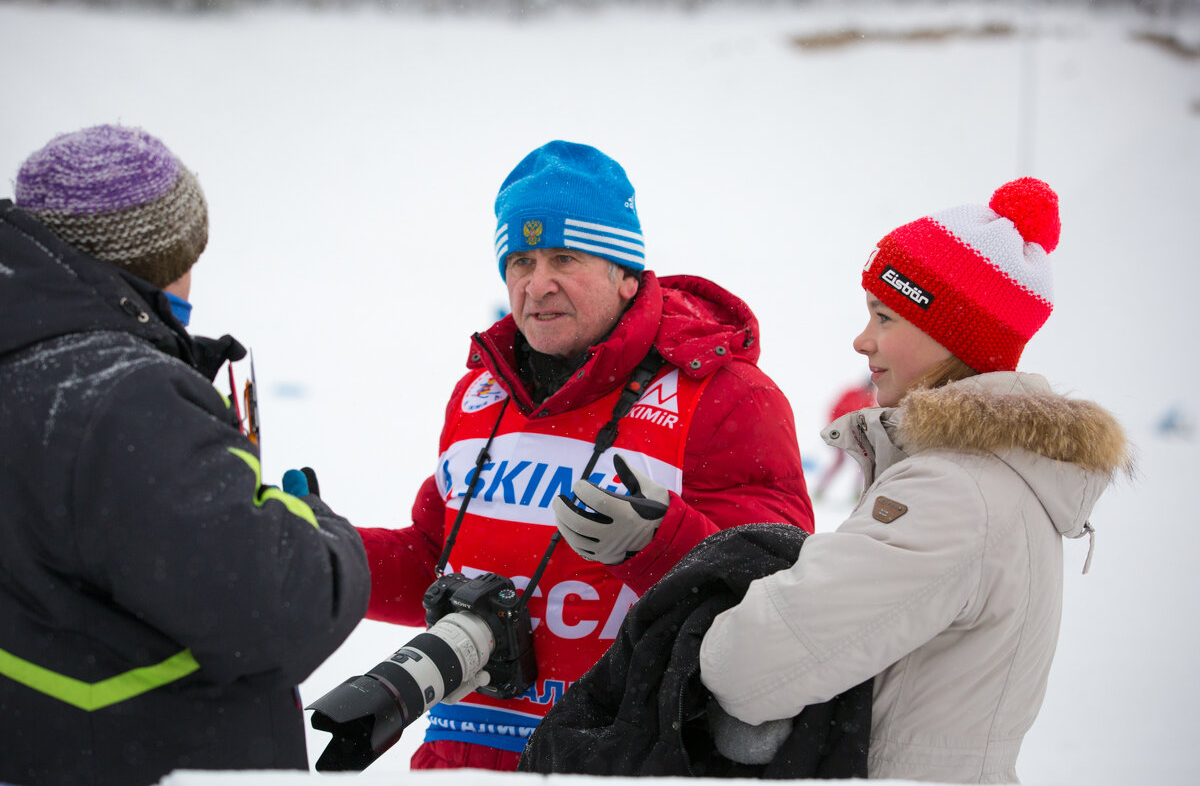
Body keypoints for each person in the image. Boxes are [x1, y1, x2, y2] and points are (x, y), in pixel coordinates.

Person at [356, 140, 814, 771]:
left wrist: (658, 545)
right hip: (460, 762)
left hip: (623, 763)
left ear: (625, 273)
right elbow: (433, 562)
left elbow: (786, 604)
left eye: (563, 258)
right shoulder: (479, 395)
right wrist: (322, 553)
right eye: (519, 261)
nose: (536, 284)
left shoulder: (726, 397)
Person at [696, 177, 1133, 782]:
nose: (862, 339)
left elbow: (748, 666)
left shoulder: (953, 493)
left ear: (951, 336)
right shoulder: (995, 477)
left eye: (884, 316)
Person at [0, 125, 371, 786]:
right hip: (145, 758)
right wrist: (311, 522)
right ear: (166, 256)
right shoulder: (121, 396)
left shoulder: (27, 363)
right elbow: (276, 609)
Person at [812, 377, 876, 500]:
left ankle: (857, 493)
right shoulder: (851, 394)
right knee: (839, 461)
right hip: (839, 432)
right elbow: (834, 410)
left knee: (863, 463)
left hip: (855, 436)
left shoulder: (870, 399)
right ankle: (820, 490)